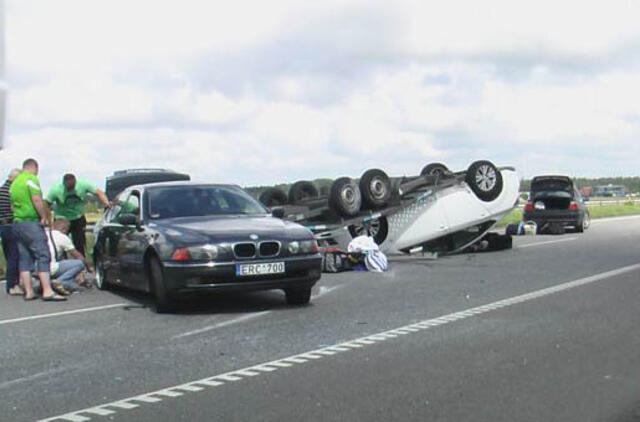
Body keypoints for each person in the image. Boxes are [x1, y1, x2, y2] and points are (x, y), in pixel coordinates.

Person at [10, 158, 66, 301]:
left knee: (24, 257)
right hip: (31, 222)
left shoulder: (14, 183)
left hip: (17, 223)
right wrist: (43, 217)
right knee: (43, 254)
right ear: (34, 167)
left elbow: (12, 206)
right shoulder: (31, 179)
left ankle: (28, 291)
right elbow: (36, 199)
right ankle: (47, 290)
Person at [45, 173, 110, 256]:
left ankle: (82, 263)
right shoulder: (56, 190)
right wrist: (49, 221)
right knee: (60, 242)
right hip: (61, 219)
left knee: (79, 244)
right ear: (64, 184)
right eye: (68, 188)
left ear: (75, 182)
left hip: (78, 218)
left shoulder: (83, 184)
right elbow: (46, 204)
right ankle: (62, 263)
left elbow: (99, 192)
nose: (70, 190)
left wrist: (106, 203)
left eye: (72, 187)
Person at [46, 218, 92, 292]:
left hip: (39, 267)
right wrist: (88, 268)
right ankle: (60, 281)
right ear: (64, 229)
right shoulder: (62, 237)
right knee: (79, 264)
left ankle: (61, 283)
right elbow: (78, 256)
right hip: (51, 267)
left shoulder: (45, 234)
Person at [0, 168, 22, 295]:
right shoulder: (12, 191)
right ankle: (13, 285)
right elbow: (15, 210)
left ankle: (12, 283)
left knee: (8, 256)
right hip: (11, 225)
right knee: (15, 256)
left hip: (2, 227)